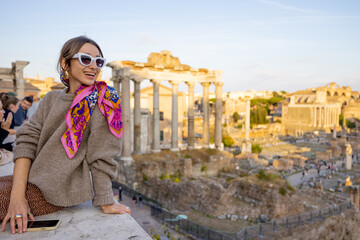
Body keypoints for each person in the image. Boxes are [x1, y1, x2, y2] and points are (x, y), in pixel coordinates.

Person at [1, 36, 130, 235]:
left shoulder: (104, 103)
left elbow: (102, 155)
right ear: (65, 62)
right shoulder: (51, 98)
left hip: (55, 193)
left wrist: (105, 200)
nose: (94, 67)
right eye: (86, 59)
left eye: (99, 61)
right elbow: (27, 140)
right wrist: (18, 197)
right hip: (30, 180)